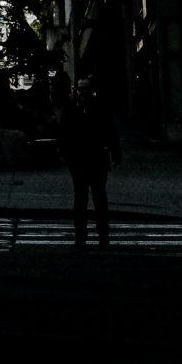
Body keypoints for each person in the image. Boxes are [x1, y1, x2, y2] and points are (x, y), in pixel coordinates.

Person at [55, 72, 120, 250]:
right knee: (86, 198)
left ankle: (100, 237)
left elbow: (110, 129)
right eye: (80, 90)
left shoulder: (95, 107)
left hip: (94, 158)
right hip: (82, 159)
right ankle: (83, 238)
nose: (83, 94)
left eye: (85, 90)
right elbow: (64, 132)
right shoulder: (74, 107)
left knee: (96, 197)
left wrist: (114, 152)